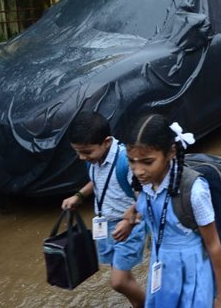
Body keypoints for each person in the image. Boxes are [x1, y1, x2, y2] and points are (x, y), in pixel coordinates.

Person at [125, 114, 221, 307]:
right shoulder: (143, 183)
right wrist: (132, 215)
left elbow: (213, 245)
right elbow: (147, 206)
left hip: (193, 270)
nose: (138, 170)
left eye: (147, 162)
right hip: (161, 265)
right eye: (131, 161)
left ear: (171, 152)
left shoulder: (195, 191)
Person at [61, 111, 145, 308]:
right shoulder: (95, 159)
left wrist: (129, 222)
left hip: (130, 225)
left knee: (119, 281)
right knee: (124, 278)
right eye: (77, 152)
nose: (82, 157)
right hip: (107, 224)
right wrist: (79, 196)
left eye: (87, 152)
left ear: (106, 142)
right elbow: (97, 181)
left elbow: (145, 198)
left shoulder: (126, 161)